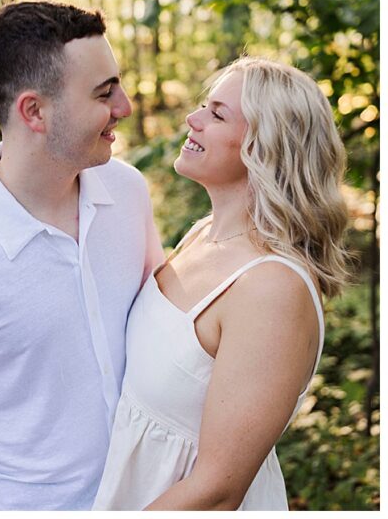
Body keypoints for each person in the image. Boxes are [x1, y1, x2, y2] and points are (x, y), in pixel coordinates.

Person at [0, 0, 163, 511]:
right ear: (34, 111)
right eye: (105, 93)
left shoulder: (127, 192)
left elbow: (163, 320)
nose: (125, 106)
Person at [95, 58, 349, 511]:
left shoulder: (272, 288)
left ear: (267, 146)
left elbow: (217, 489)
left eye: (216, 114)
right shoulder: (202, 232)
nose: (192, 119)